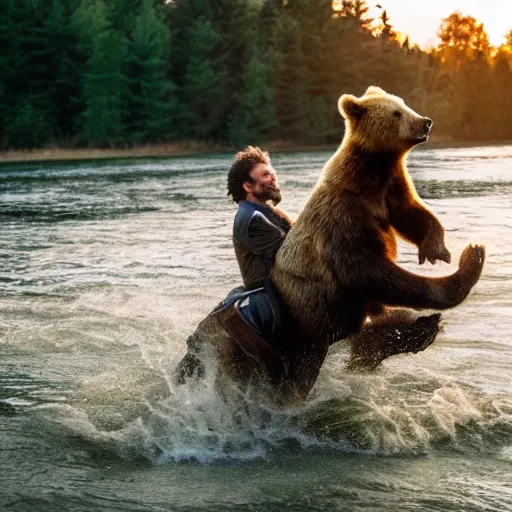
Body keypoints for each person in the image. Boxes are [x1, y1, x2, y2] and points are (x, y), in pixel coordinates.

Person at [174, 146, 293, 383]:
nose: (273, 178)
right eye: (265, 175)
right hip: (268, 295)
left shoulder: (265, 211)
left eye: (272, 172)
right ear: (248, 186)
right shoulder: (252, 219)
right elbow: (293, 253)